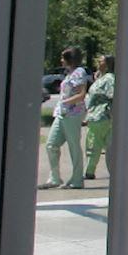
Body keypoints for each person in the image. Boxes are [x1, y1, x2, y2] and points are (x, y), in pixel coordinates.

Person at [41, 46, 89, 190]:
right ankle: (55, 178)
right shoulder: (68, 74)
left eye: (63, 58)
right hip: (61, 114)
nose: (61, 60)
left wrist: (66, 102)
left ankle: (77, 180)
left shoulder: (80, 72)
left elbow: (81, 94)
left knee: (74, 146)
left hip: (73, 114)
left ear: (70, 59)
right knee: (51, 144)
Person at [82, 54, 116, 181]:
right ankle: (90, 171)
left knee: (99, 145)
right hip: (95, 116)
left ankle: (92, 171)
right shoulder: (101, 78)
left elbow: (113, 96)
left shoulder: (110, 79)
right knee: (95, 144)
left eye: (101, 61)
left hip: (103, 116)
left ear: (107, 64)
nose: (98, 62)